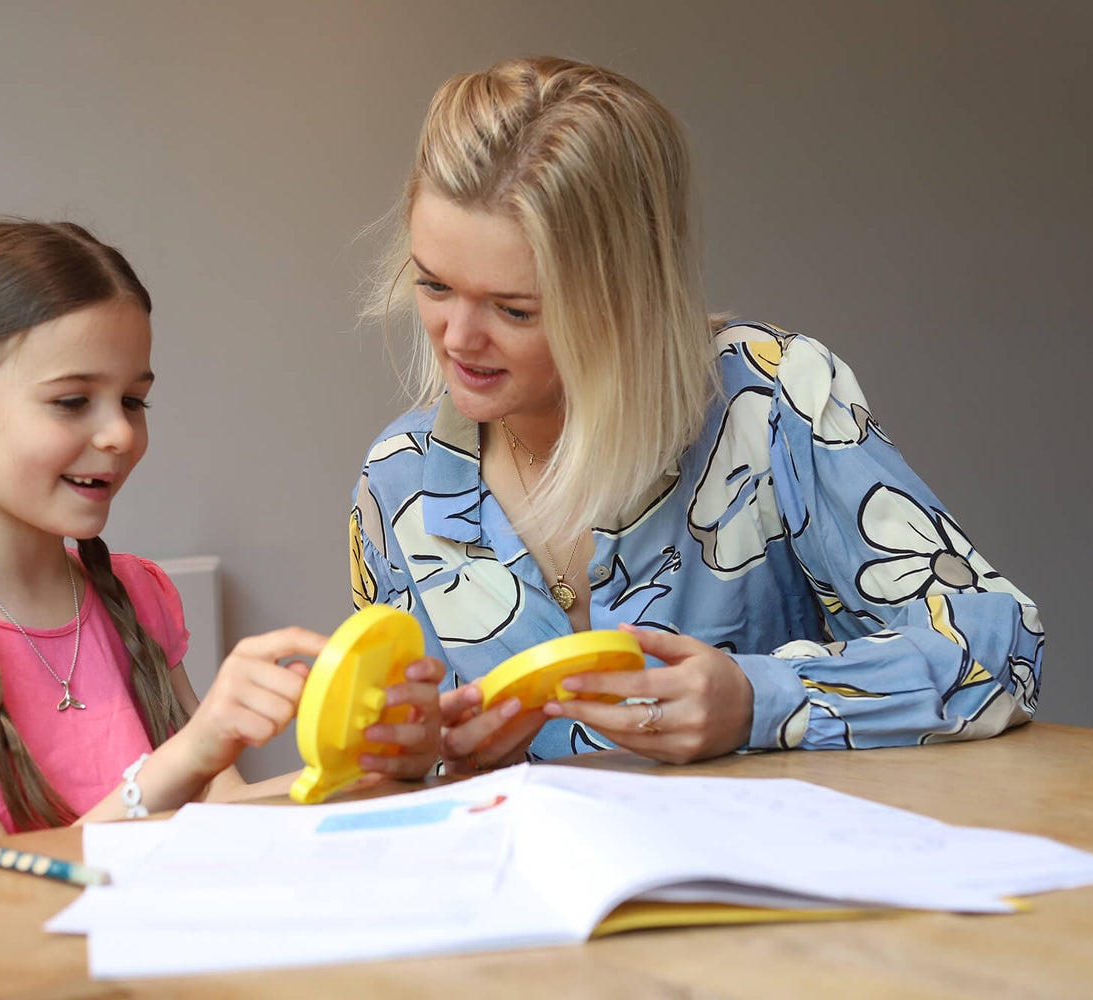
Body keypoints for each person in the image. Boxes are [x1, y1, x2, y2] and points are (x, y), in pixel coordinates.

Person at [350, 57, 1043, 775]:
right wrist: (419, 758)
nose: (458, 338)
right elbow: (404, 780)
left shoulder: (772, 401)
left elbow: (1003, 648)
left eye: (514, 309)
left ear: (628, 291)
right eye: (433, 285)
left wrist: (755, 700)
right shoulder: (398, 484)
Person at [0, 220, 441, 860]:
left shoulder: (133, 596)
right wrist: (187, 754)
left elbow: (223, 813)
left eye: (134, 401)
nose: (119, 435)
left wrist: (380, 771)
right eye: (73, 400)